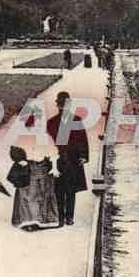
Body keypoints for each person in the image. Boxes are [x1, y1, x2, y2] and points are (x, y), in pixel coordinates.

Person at [10, 105, 62, 231]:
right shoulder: (22, 136)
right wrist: (20, 160)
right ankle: (29, 221)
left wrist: (54, 167)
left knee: (43, 194)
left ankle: (42, 220)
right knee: (28, 194)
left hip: (43, 167)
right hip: (28, 168)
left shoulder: (44, 136)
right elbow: (14, 151)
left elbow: (53, 152)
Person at [46, 92, 90, 226]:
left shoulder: (76, 120)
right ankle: (61, 216)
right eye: (61, 105)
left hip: (73, 159)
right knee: (59, 189)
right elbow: (48, 142)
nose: (63, 108)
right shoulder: (51, 123)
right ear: (58, 106)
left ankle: (69, 216)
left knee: (71, 189)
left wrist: (83, 156)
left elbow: (83, 140)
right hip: (59, 159)